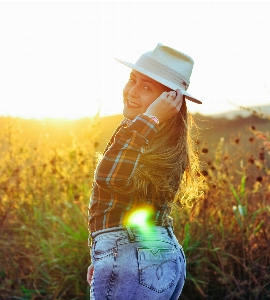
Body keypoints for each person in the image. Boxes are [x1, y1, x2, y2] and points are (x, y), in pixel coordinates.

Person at [86, 43, 204, 300]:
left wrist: (149, 118)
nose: (132, 91)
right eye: (132, 80)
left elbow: (109, 177)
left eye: (147, 87)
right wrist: (107, 257)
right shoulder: (151, 141)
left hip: (135, 257)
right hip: (157, 255)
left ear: (169, 101)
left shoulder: (145, 137)